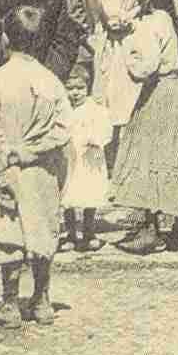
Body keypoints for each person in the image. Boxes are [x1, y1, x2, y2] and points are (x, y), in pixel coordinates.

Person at [0, 4, 73, 326]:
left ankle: (9, 303)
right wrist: (35, 150)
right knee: (43, 228)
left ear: (6, 39)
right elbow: (63, 129)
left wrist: (6, 159)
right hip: (42, 168)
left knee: (9, 230)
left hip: (8, 167)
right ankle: (42, 299)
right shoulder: (51, 82)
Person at [110, 0, 178, 254]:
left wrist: (126, 48)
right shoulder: (177, 22)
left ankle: (150, 229)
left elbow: (145, 67)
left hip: (158, 94)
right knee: (176, 156)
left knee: (149, 157)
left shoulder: (151, 24)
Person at [93, 0, 142, 173]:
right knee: (131, 98)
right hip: (133, 40)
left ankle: (113, 165)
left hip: (114, 44)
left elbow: (111, 19)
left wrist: (118, 20)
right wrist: (130, 17)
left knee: (112, 101)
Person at [60, 70, 113, 253]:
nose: (75, 92)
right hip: (70, 157)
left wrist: (96, 139)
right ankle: (70, 233)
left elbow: (106, 130)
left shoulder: (96, 109)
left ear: (87, 88)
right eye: (70, 88)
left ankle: (89, 232)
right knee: (68, 194)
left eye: (80, 88)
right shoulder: (62, 109)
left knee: (90, 194)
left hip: (90, 158)